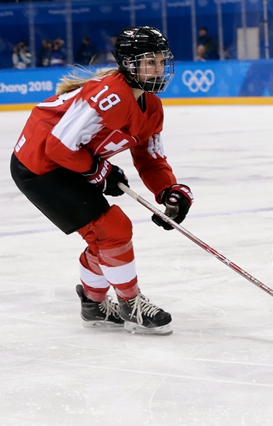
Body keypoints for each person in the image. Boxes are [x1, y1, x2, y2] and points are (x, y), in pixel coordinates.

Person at [10, 26, 193, 336]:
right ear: (129, 64)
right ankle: (130, 303)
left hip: (69, 163)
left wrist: (168, 189)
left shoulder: (153, 108)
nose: (159, 68)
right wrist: (99, 172)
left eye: (162, 61)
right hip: (40, 165)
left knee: (106, 238)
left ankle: (93, 305)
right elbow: (58, 147)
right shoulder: (110, 94)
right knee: (114, 229)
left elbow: (150, 158)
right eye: (150, 61)